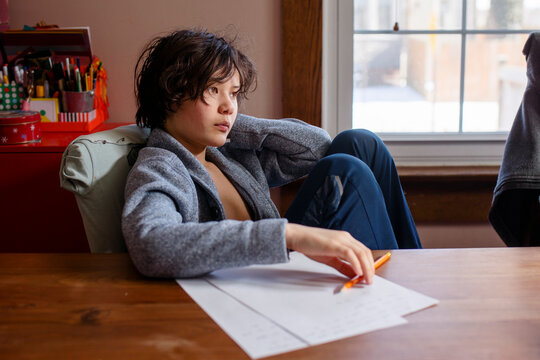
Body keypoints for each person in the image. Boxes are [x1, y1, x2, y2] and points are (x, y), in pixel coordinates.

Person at [122, 29, 421, 282]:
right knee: (345, 169)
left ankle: (415, 267)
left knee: (360, 143)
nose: (228, 106)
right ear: (170, 95)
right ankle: (404, 284)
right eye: (213, 89)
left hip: (280, 264)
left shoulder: (229, 156)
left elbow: (316, 146)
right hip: (250, 287)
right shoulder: (160, 166)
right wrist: (289, 235)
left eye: (235, 93)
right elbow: (151, 246)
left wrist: (234, 125)